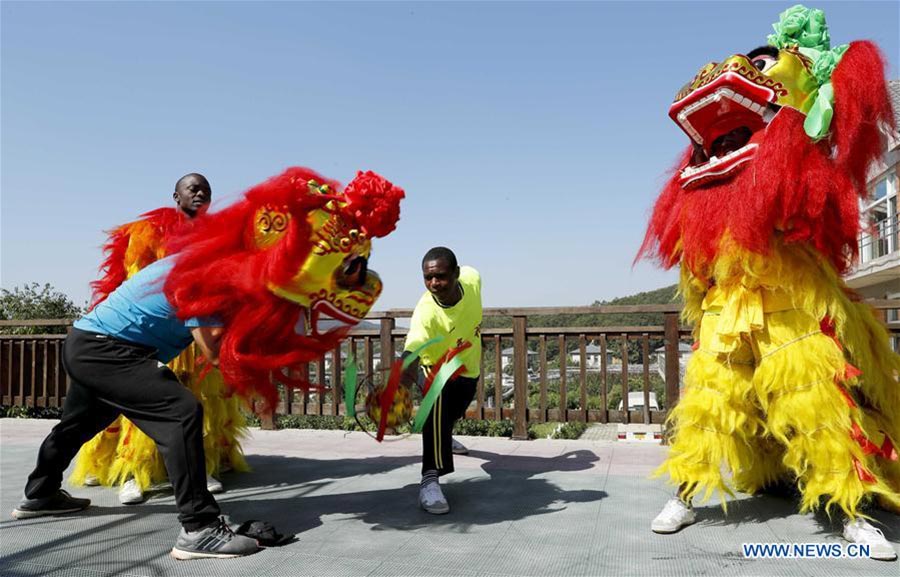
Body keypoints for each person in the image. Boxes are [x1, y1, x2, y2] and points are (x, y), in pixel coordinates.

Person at [638, 5, 898, 560]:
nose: (728, 146)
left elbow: (828, 158)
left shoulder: (803, 149)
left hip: (793, 306)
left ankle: (851, 512)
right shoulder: (706, 183)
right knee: (709, 405)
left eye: (768, 66)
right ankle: (686, 494)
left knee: (820, 406)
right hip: (727, 310)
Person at [12, 256, 259, 560]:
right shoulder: (206, 274)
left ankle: (40, 493)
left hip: (86, 342)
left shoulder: (195, 260)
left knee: (81, 423)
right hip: (109, 350)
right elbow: (215, 351)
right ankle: (200, 529)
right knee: (180, 412)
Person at [70, 173, 250, 506]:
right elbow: (129, 280)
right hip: (150, 332)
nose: (199, 193)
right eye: (192, 188)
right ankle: (133, 472)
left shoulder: (221, 237)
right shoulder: (148, 232)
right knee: (138, 406)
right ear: (176, 195)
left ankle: (198, 470)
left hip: (195, 334)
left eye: (205, 190)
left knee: (199, 406)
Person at [401, 247, 482, 514]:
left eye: (441, 276)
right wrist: (399, 383)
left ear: (457, 274)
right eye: (427, 278)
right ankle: (430, 480)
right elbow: (412, 348)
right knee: (435, 406)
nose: (434, 283)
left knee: (452, 413)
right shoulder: (426, 312)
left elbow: (471, 271)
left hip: (466, 366)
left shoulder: (472, 278)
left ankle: (444, 436)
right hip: (433, 366)